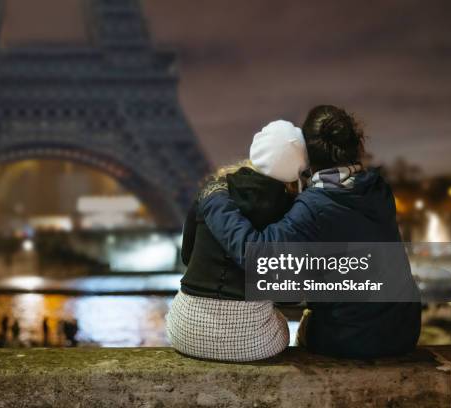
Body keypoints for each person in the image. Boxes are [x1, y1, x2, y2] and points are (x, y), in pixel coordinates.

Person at [198, 105, 422, 359]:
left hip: (352, 340)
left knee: (300, 327)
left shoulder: (315, 205)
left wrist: (214, 199)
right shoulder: (378, 189)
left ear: (307, 155)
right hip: (405, 331)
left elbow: (258, 257)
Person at [166, 119, 308, 362]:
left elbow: (187, 256)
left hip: (184, 330)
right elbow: (288, 295)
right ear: (298, 169)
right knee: (282, 324)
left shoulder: (211, 193)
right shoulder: (292, 212)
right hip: (252, 342)